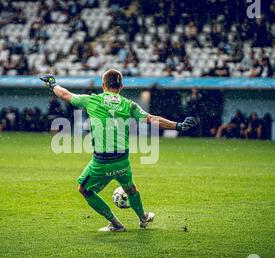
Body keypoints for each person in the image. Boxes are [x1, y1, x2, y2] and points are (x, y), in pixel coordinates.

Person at [40, 70, 198, 232]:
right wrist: (178, 125)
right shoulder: (129, 105)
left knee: (84, 189)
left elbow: (65, 95)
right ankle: (143, 218)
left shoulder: (92, 100)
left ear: (103, 85)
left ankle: (116, 224)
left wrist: (53, 84)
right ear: (121, 86)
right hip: (123, 160)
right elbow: (151, 119)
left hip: (101, 162)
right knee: (130, 189)